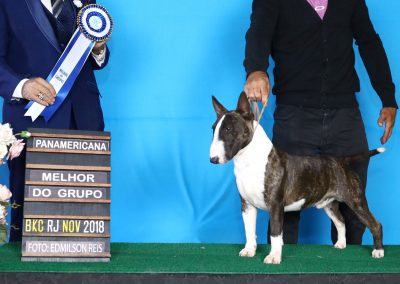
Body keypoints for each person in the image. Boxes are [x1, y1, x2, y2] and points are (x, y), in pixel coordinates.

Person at [243, 0, 397, 245]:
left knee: (353, 209)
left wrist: (388, 98)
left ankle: (350, 272)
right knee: (283, 207)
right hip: (295, 116)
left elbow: (369, 42)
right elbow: (259, 31)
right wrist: (255, 70)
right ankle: (283, 273)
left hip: (346, 115)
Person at [0, 0, 110, 241]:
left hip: (85, 118)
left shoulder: (85, 1)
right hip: (31, 118)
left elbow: (95, 60)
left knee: (87, 214)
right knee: (29, 219)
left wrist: (99, 49)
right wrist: (22, 86)